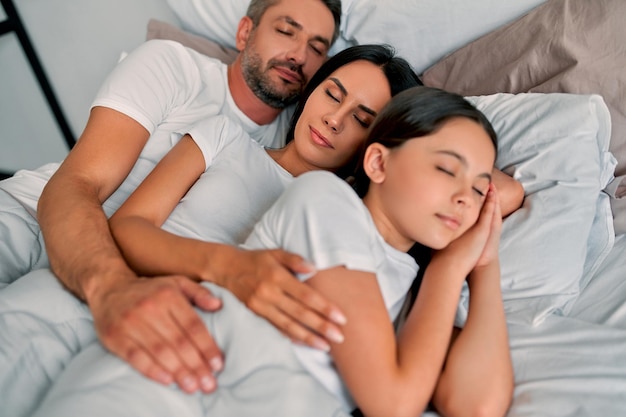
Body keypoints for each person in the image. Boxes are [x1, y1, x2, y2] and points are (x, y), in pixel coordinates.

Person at [30, 86, 514, 417]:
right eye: (448, 170)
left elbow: (479, 406)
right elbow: (392, 402)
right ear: (377, 161)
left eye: (478, 188)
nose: (464, 197)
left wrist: (479, 264)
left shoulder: (411, 288)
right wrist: (450, 271)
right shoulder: (327, 203)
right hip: (159, 391)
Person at [0, 44, 423, 417]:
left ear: (377, 150)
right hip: (87, 295)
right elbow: (128, 226)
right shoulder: (224, 137)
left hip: (181, 352)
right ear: (312, 91)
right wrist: (228, 267)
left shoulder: (345, 222)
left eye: (361, 119)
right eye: (333, 94)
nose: (334, 119)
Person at [0, 0, 347, 387]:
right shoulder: (175, 66)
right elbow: (77, 184)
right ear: (245, 32)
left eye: (317, 48)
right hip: (32, 222)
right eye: (286, 30)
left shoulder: (303, 142)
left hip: (135, 280)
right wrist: (113, 288)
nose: (299, 55)